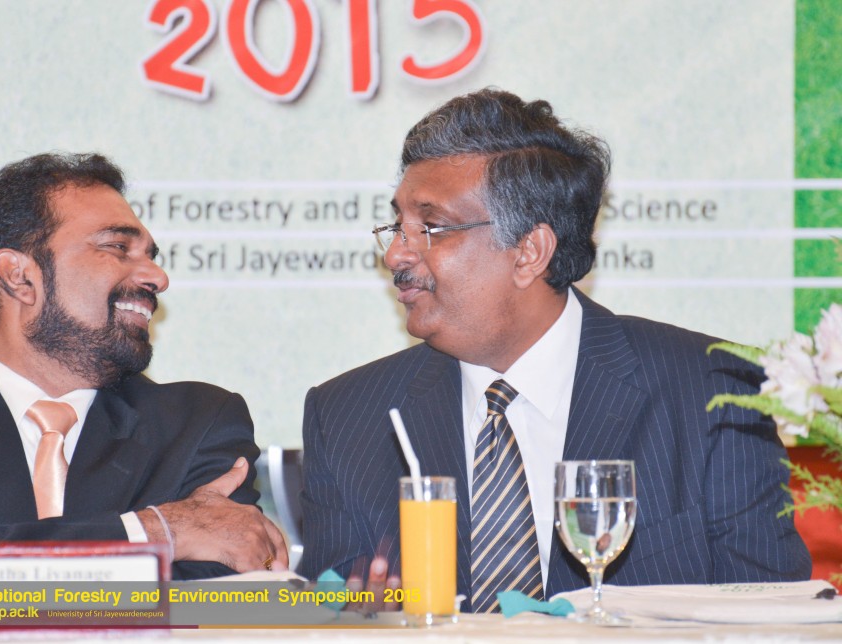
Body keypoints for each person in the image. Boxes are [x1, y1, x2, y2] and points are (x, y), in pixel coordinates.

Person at [297, 88, 811, 611]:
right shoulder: (345, 418)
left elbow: (773, 617)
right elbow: (327, 612)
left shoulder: (714, 392)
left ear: (530, 252)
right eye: (397, 227)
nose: (395, 255)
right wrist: (354, 624)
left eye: (430, 227)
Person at [0, 152, 287, 579]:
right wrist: (151, 533)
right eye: (117, 247)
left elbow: (208, 599)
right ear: (19, 276)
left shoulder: (197, 424)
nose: (157, 277)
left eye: (150, 256)